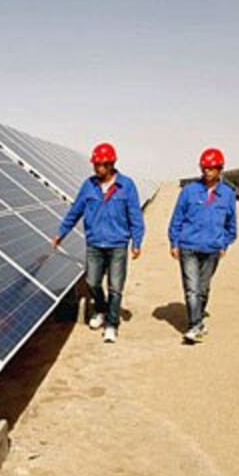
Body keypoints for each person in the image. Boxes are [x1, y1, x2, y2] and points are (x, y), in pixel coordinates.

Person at [53, 142, 145, 343]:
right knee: (92, 282)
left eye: (102, 165)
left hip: (118, 244)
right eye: (96, 165)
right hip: (95, 244)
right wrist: (61, 233)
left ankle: (112, 325)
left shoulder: (126, 186)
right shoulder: (89, 185)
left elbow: (135, 216)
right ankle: (101, 310)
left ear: (111, 164)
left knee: (115, 286)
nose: (98, 168)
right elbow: (75, 211)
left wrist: (137, 242)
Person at [168, 148, 238, 343]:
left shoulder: (227, 194)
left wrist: (224, 244)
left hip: (212, 249)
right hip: (188, 246)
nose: (207, 171)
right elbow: (177, 218)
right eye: (205, 167)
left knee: (203, 289)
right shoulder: (189, 191)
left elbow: (231, 225)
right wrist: (174, 242)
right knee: (191, 288)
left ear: (220, 170)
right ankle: (195, 325)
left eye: (212, 168)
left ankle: (197, 320)